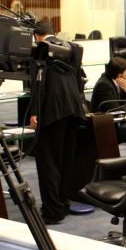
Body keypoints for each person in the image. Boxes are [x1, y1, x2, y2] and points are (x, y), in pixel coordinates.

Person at [29, 22, 85, 224]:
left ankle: (52, 212)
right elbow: (79, 78)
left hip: (53, 112)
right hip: (73, 110)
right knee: (65, 161)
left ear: (36, 36)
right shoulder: (68, 48)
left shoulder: (42, 50)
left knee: (48, 163)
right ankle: (63, 204)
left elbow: (38, 83)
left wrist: (34, 111)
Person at [91, 57, 126, 155]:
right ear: (119, 74)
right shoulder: (104, 85)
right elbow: (114, 109)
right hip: (107, 127)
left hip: (117, 123)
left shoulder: (115, 81)